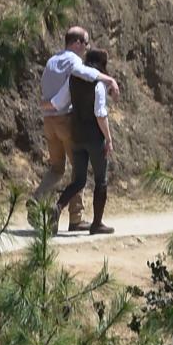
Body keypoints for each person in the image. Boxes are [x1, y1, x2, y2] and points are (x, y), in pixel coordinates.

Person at [32, 26, 119, 231]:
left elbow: (56, 99)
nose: (85, 48)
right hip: (68, 124)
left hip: (49, 121)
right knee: (82, 175)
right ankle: (78, 219)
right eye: (85, 43)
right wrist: (108, 79)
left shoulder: (51, 61)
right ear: (77, 43)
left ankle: (39, 200)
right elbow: (98, 106)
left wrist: (44, 105)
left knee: (57, 168)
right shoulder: (76, 65)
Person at [50, 47, 115, 235]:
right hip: (95, 138)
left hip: (76, 136)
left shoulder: (73, 80)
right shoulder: (99, 83)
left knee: (78, 180)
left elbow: (60, 103)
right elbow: (100, 114)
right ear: (101, 65)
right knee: (101, 181)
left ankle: (57, 207)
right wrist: (108, 139)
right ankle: (97, 224)